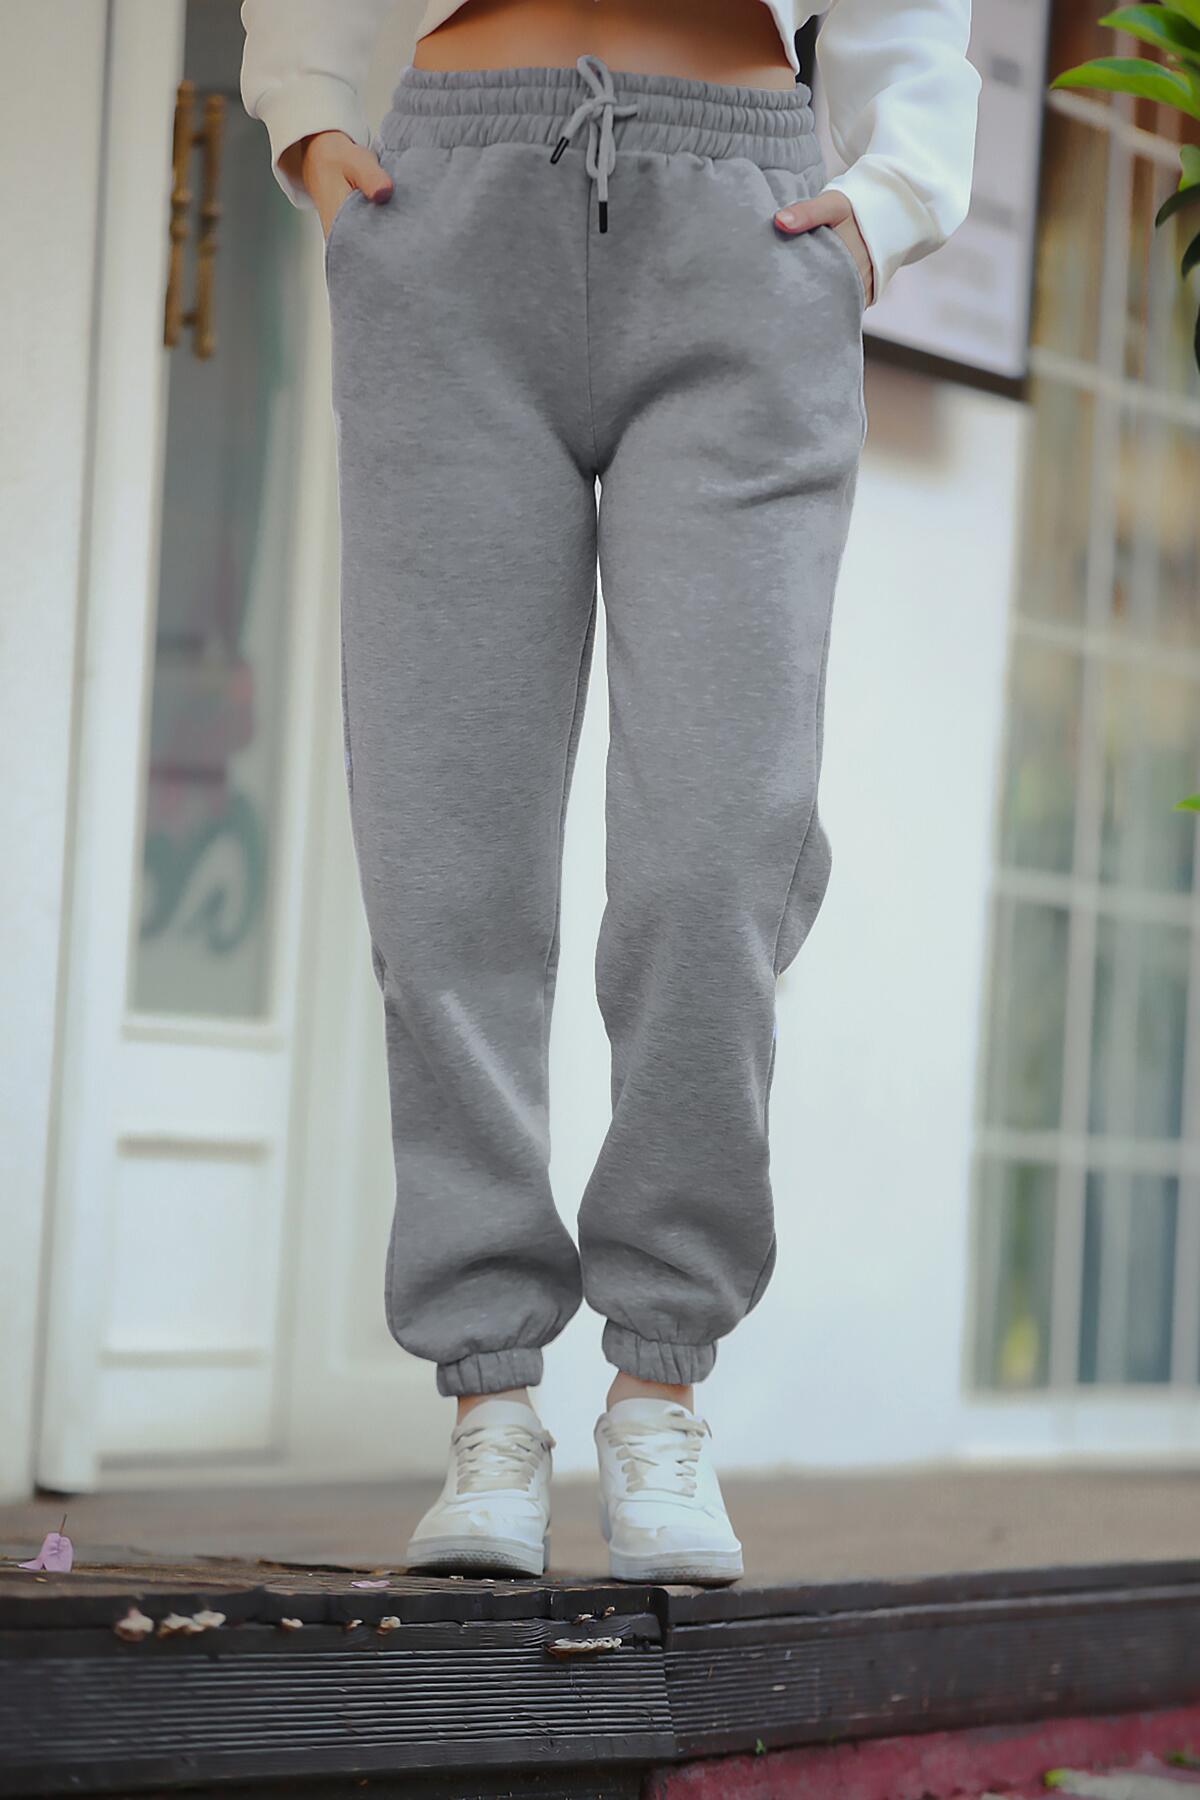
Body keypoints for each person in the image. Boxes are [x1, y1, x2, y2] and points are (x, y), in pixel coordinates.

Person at [240, 0, 979, 1585]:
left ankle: (660, 1384)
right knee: (445, 857)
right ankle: (489, 1400)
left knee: (719, 854)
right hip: (450, 208)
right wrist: (307, 110)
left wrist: (895, 193)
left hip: (748, 229)